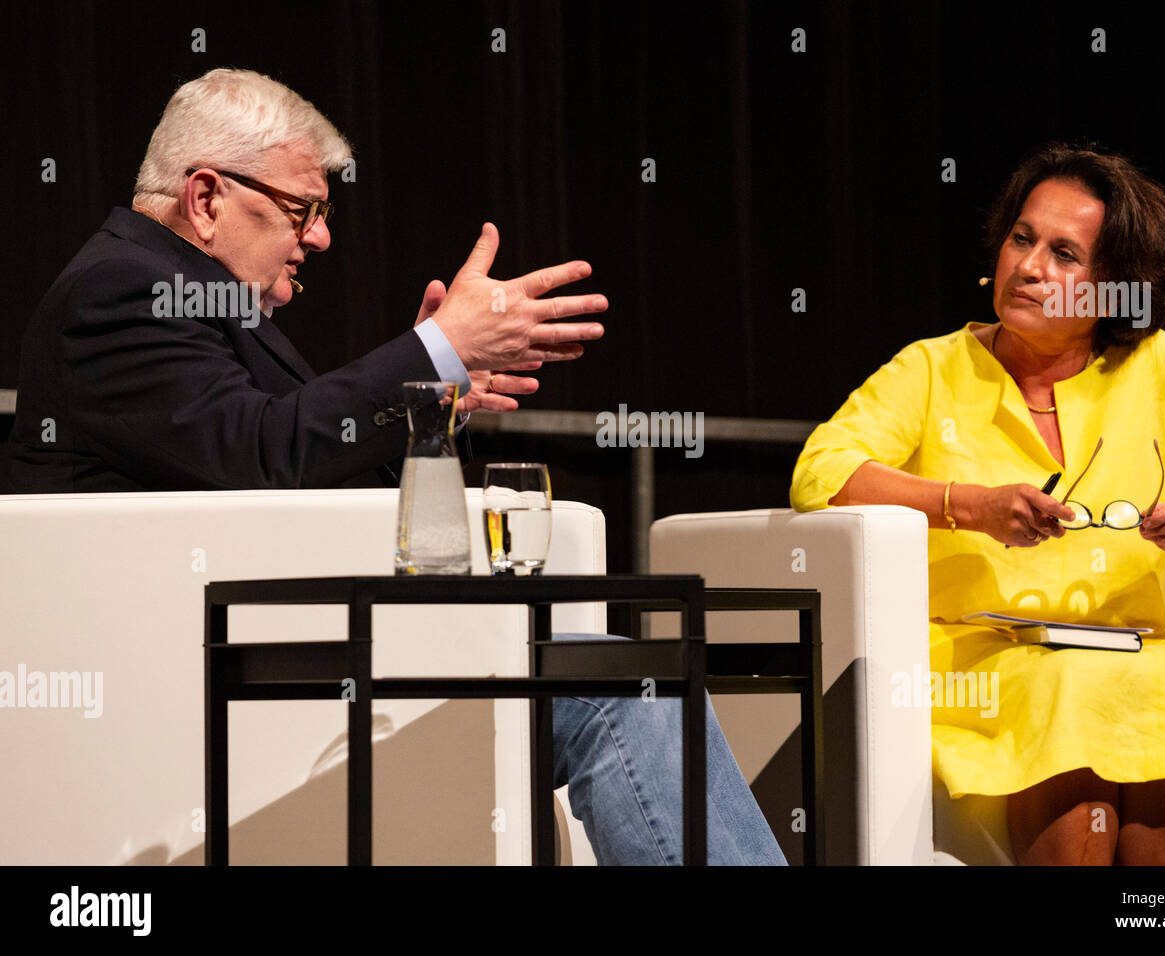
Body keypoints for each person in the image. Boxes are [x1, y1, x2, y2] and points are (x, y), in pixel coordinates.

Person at [1, 68, 783, 865]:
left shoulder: (201, 301)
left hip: (291, 650)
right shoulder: (124, 291)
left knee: (630, 671)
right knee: (624, 688)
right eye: (302, 211)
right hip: (202, 685)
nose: (320, 238)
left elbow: (297, 474)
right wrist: (439, 350)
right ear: (206, 199)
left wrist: (427, 401)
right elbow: (263, 457)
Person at [791, 143, 1165, 865]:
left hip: (1132, 653)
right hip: (981, 660)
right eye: (1022, 239)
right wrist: (967, 504)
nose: (1028, 267)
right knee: (1070, 696)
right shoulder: (932, 368)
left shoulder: (1158, 369)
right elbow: (822, 471)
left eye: (1065, 254)